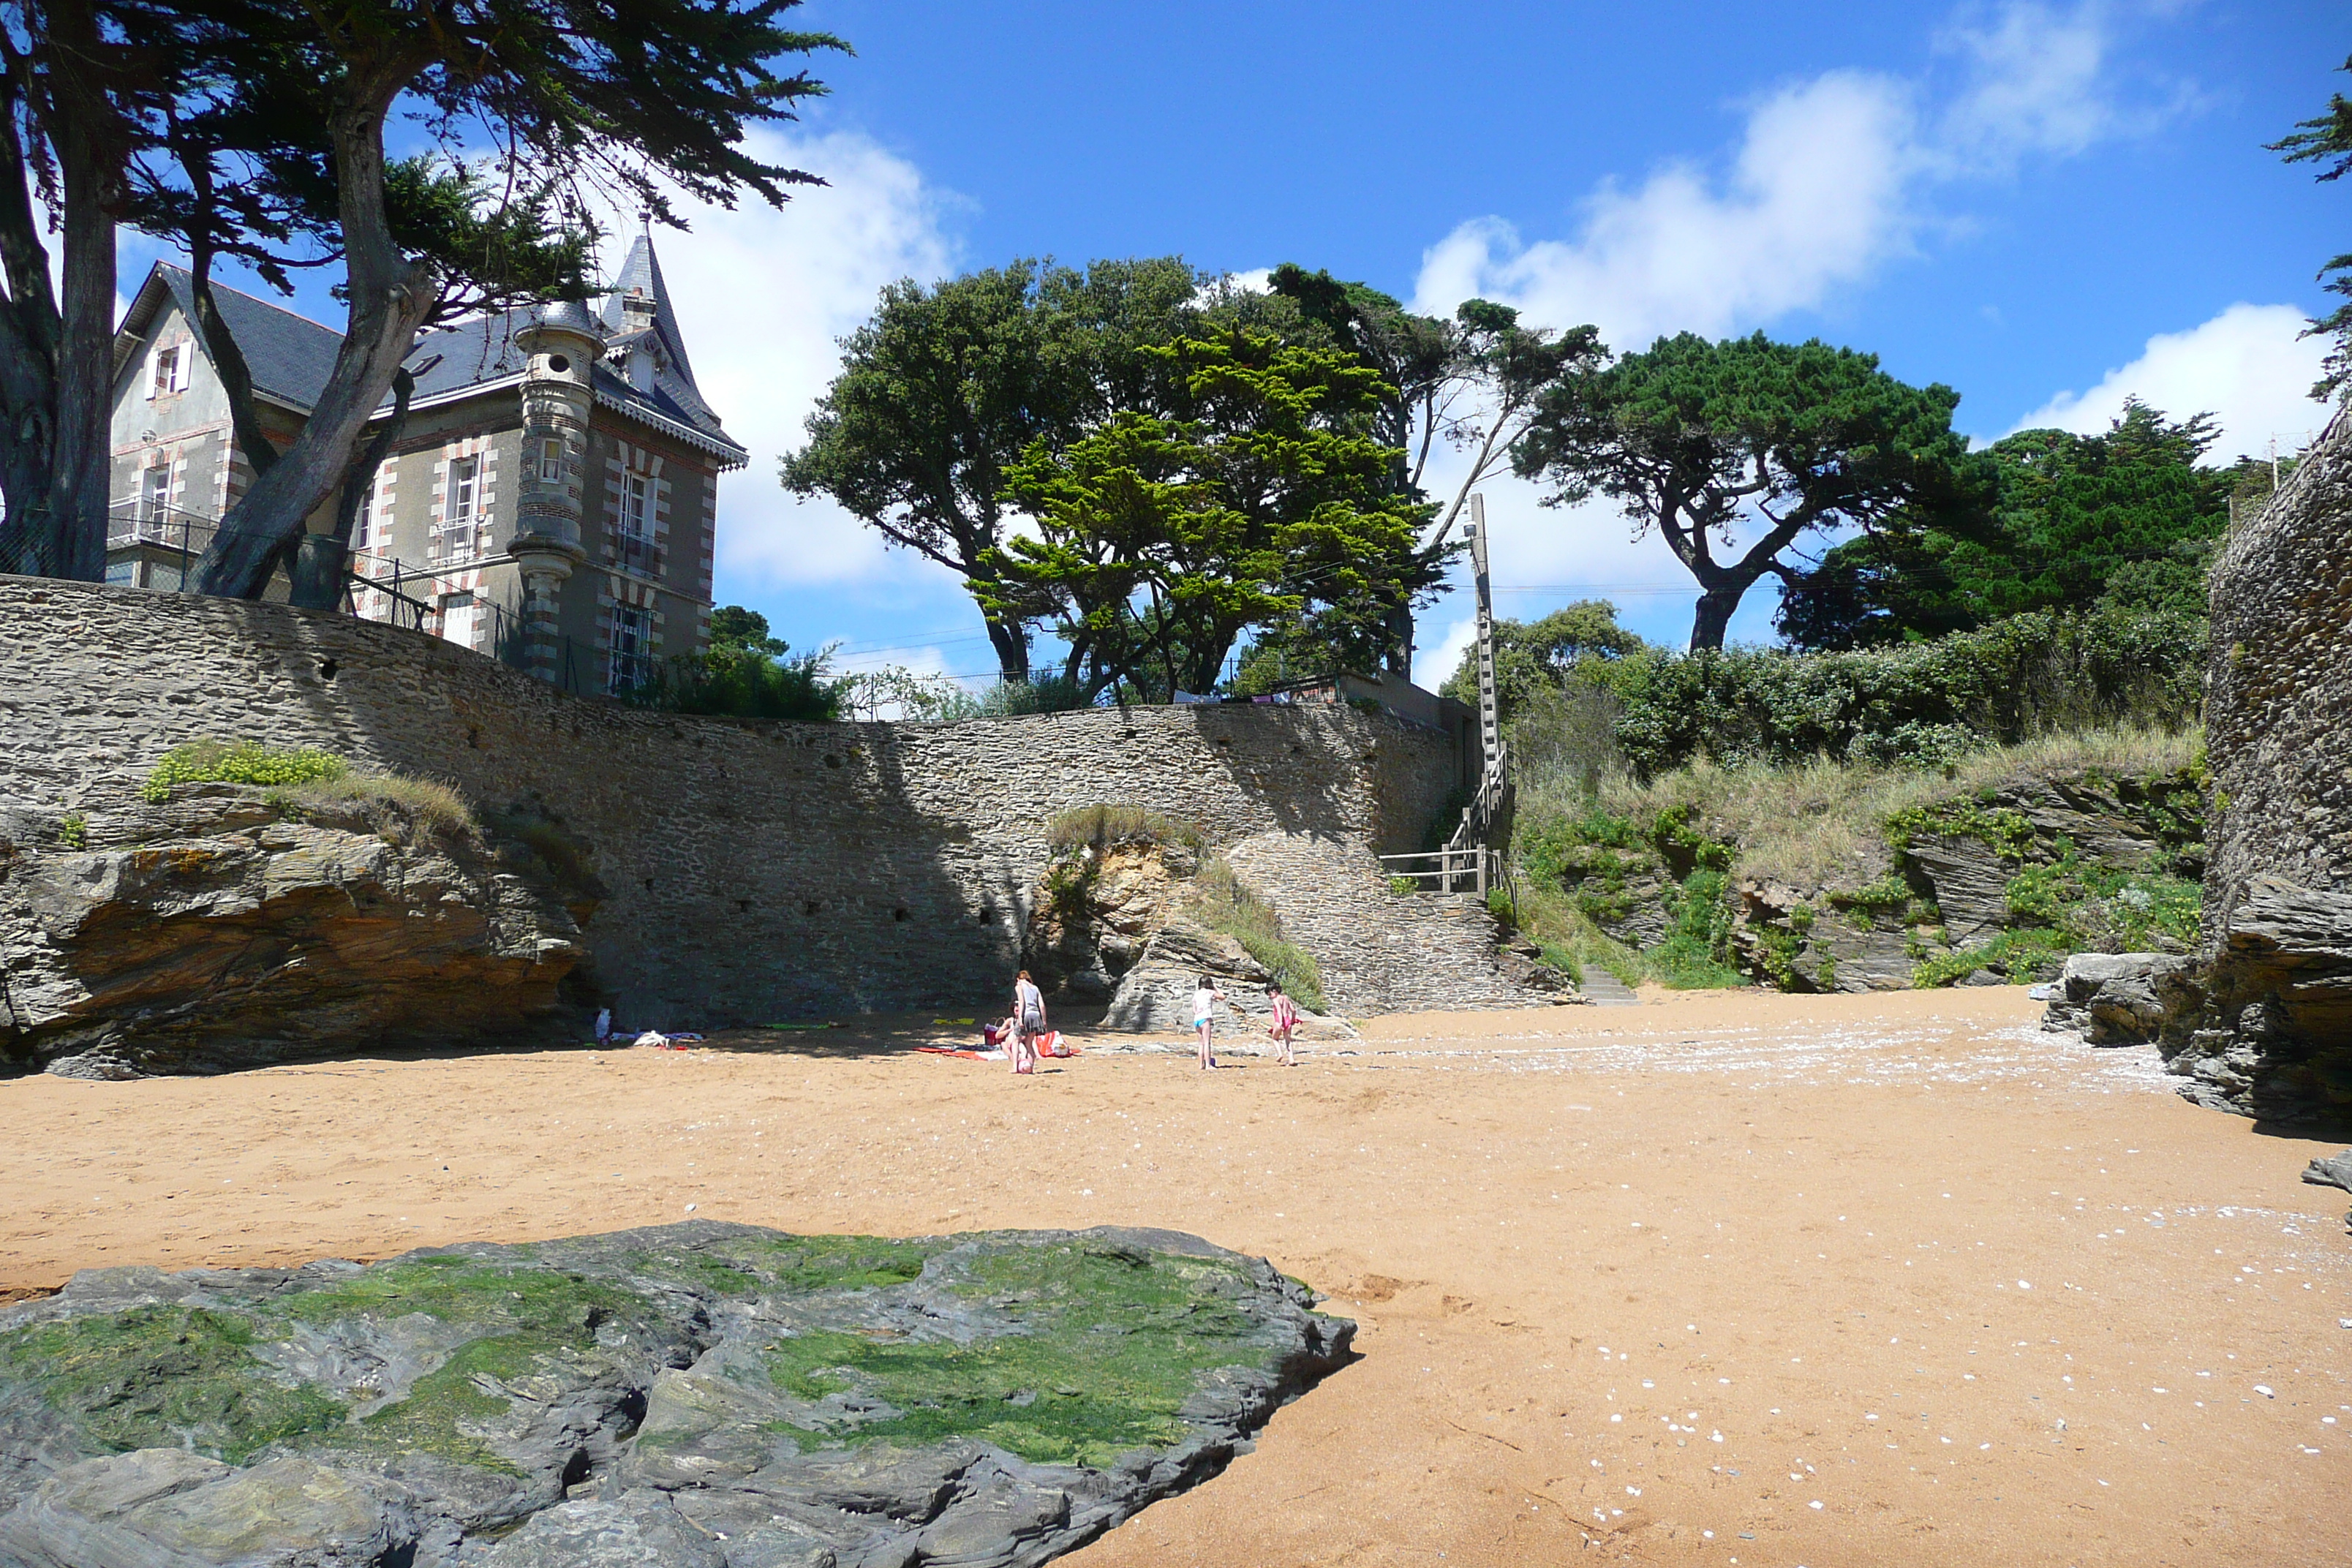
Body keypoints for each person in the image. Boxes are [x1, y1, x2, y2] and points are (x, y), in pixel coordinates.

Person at [1191, 973, 1229, 1071]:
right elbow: (1222, 996)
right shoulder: (1209, 992)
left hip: (1197, 1019)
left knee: (1201, 1043)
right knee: (1207, 1042)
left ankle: (1201, 1064)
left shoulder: (1197, 994)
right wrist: (1215, 987)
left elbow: (1194, 1010)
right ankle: (1208, 1065)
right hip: (1205, 1019)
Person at [1011, 970, 1046, 1075]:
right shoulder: (1035, 988)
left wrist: (1020, 1018)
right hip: (1036, 1016)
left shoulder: (1020, 986)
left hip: (1026, 1014)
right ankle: (1030, 1068)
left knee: (1016, 1041)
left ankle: (1015, 1068)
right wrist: (1044, 1021)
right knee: (1029, 1043)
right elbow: (1042, 1005)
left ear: (1018, 979)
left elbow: (1021, 1001)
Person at [1267, 981, 1299, 1067]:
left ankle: (1280, 1054)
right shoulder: (1286, 998)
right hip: (1288, 1021)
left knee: (1274, 1038)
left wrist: (1280, 1022)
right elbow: (1293, 1010)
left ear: (1274, 991)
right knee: (1288, 1040)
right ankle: (1291, 1059)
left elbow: (1279, 1010)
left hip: (1280, 1021)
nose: (1270, 997)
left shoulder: (1275, 999)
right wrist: (1293, 1020)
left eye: (1269, 994)